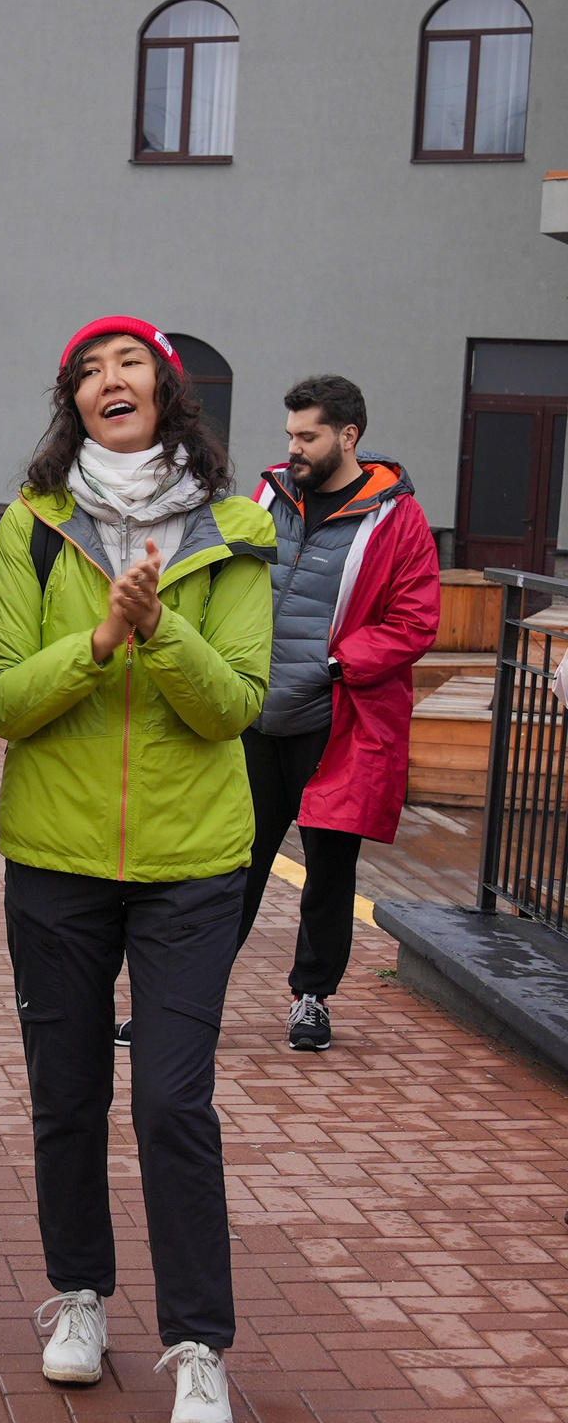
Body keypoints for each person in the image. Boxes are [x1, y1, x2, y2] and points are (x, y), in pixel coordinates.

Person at [0, 316, 275, 1423]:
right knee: (66, 1094)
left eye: (129, 364)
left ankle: (199, 1347)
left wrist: (158, 634)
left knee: (169, 1101)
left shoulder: (239, 531)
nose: (110, 380)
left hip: (192, 865)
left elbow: (236, 701)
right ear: (72, 402)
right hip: (53, 860)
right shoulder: (35, 528)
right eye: (90, 370)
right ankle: (81, 1298)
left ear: (168, 391)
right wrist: (99, 638)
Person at [238, 377, 439, 1053]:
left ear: (347, 437)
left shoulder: (398, 518)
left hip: (335, 724)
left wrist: (336, 664)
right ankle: (186, 998)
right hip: (254, 719)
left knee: (328, 871)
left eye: (308, 436)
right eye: (290, 434)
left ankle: (312, 999)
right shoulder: (267, 495)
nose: (292, 447)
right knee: (226, 867)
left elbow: (414, 622)